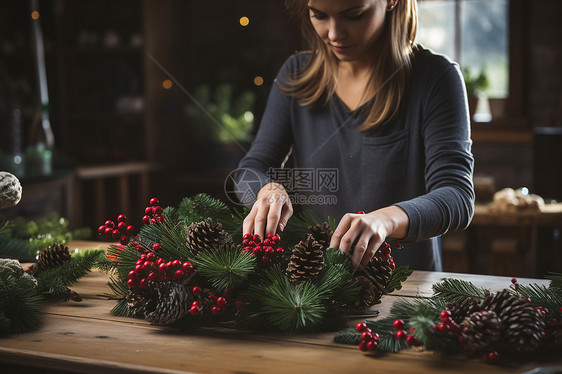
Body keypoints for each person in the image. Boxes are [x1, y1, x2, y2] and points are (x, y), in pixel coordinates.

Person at [235, 0, 474, 272]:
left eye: (353, 15)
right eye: (319, 16)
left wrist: (385, 221)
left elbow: (457, 196)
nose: (334, 34)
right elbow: (249, 170)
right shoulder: (296, 73)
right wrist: (268, 189)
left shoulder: (436, 77)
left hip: (407, 291)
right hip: (310, 293)